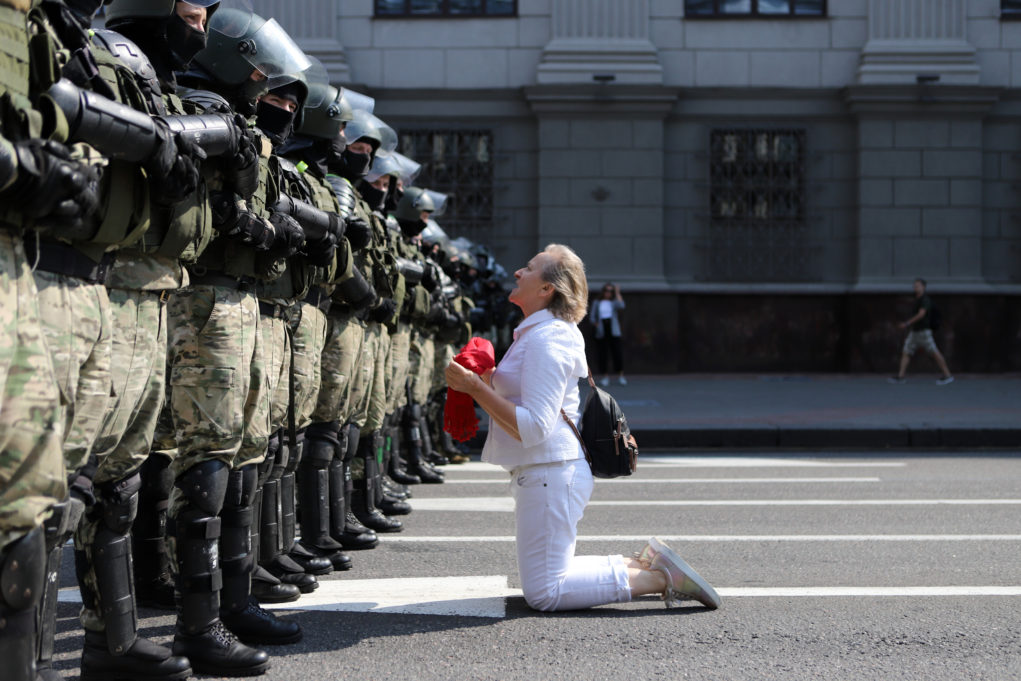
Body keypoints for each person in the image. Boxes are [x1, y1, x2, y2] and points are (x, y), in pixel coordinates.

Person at [445, 244, 720, 612]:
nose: (517, 273)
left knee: (546, 593)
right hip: (546, 473)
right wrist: (489, 376)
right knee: (550, 578)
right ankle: (642, 564)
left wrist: (475, 388)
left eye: (529, 268)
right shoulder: (538, 334)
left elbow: (534, 428)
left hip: (550, 472)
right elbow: (531, 401)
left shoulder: (549, 338)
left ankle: (662, 578)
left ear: (547, 290)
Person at [889, 278, 954, 385]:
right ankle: (901, 376)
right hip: (915, 331)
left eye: (918, 285)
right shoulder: (918, 299)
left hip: (923, 331)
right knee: (906, 351)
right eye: (915, 285)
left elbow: (921, 314)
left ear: (923, 287)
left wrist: (907, 323)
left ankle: (947, 375)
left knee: (934, 351)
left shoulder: (925, 300)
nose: (916, 287)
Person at [589, 282, 626, 387]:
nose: (608, 293)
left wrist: (618, 292)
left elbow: (622, 305)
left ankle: (621, 376)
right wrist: (597, 325)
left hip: (613, 329)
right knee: (603, 354)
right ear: (603, 291)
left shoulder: (613, 302)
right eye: (606, 290)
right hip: (602, 329)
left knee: (617, 353)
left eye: (610, 291)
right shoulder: (597, 302)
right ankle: (605, 377)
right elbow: (592, 317)